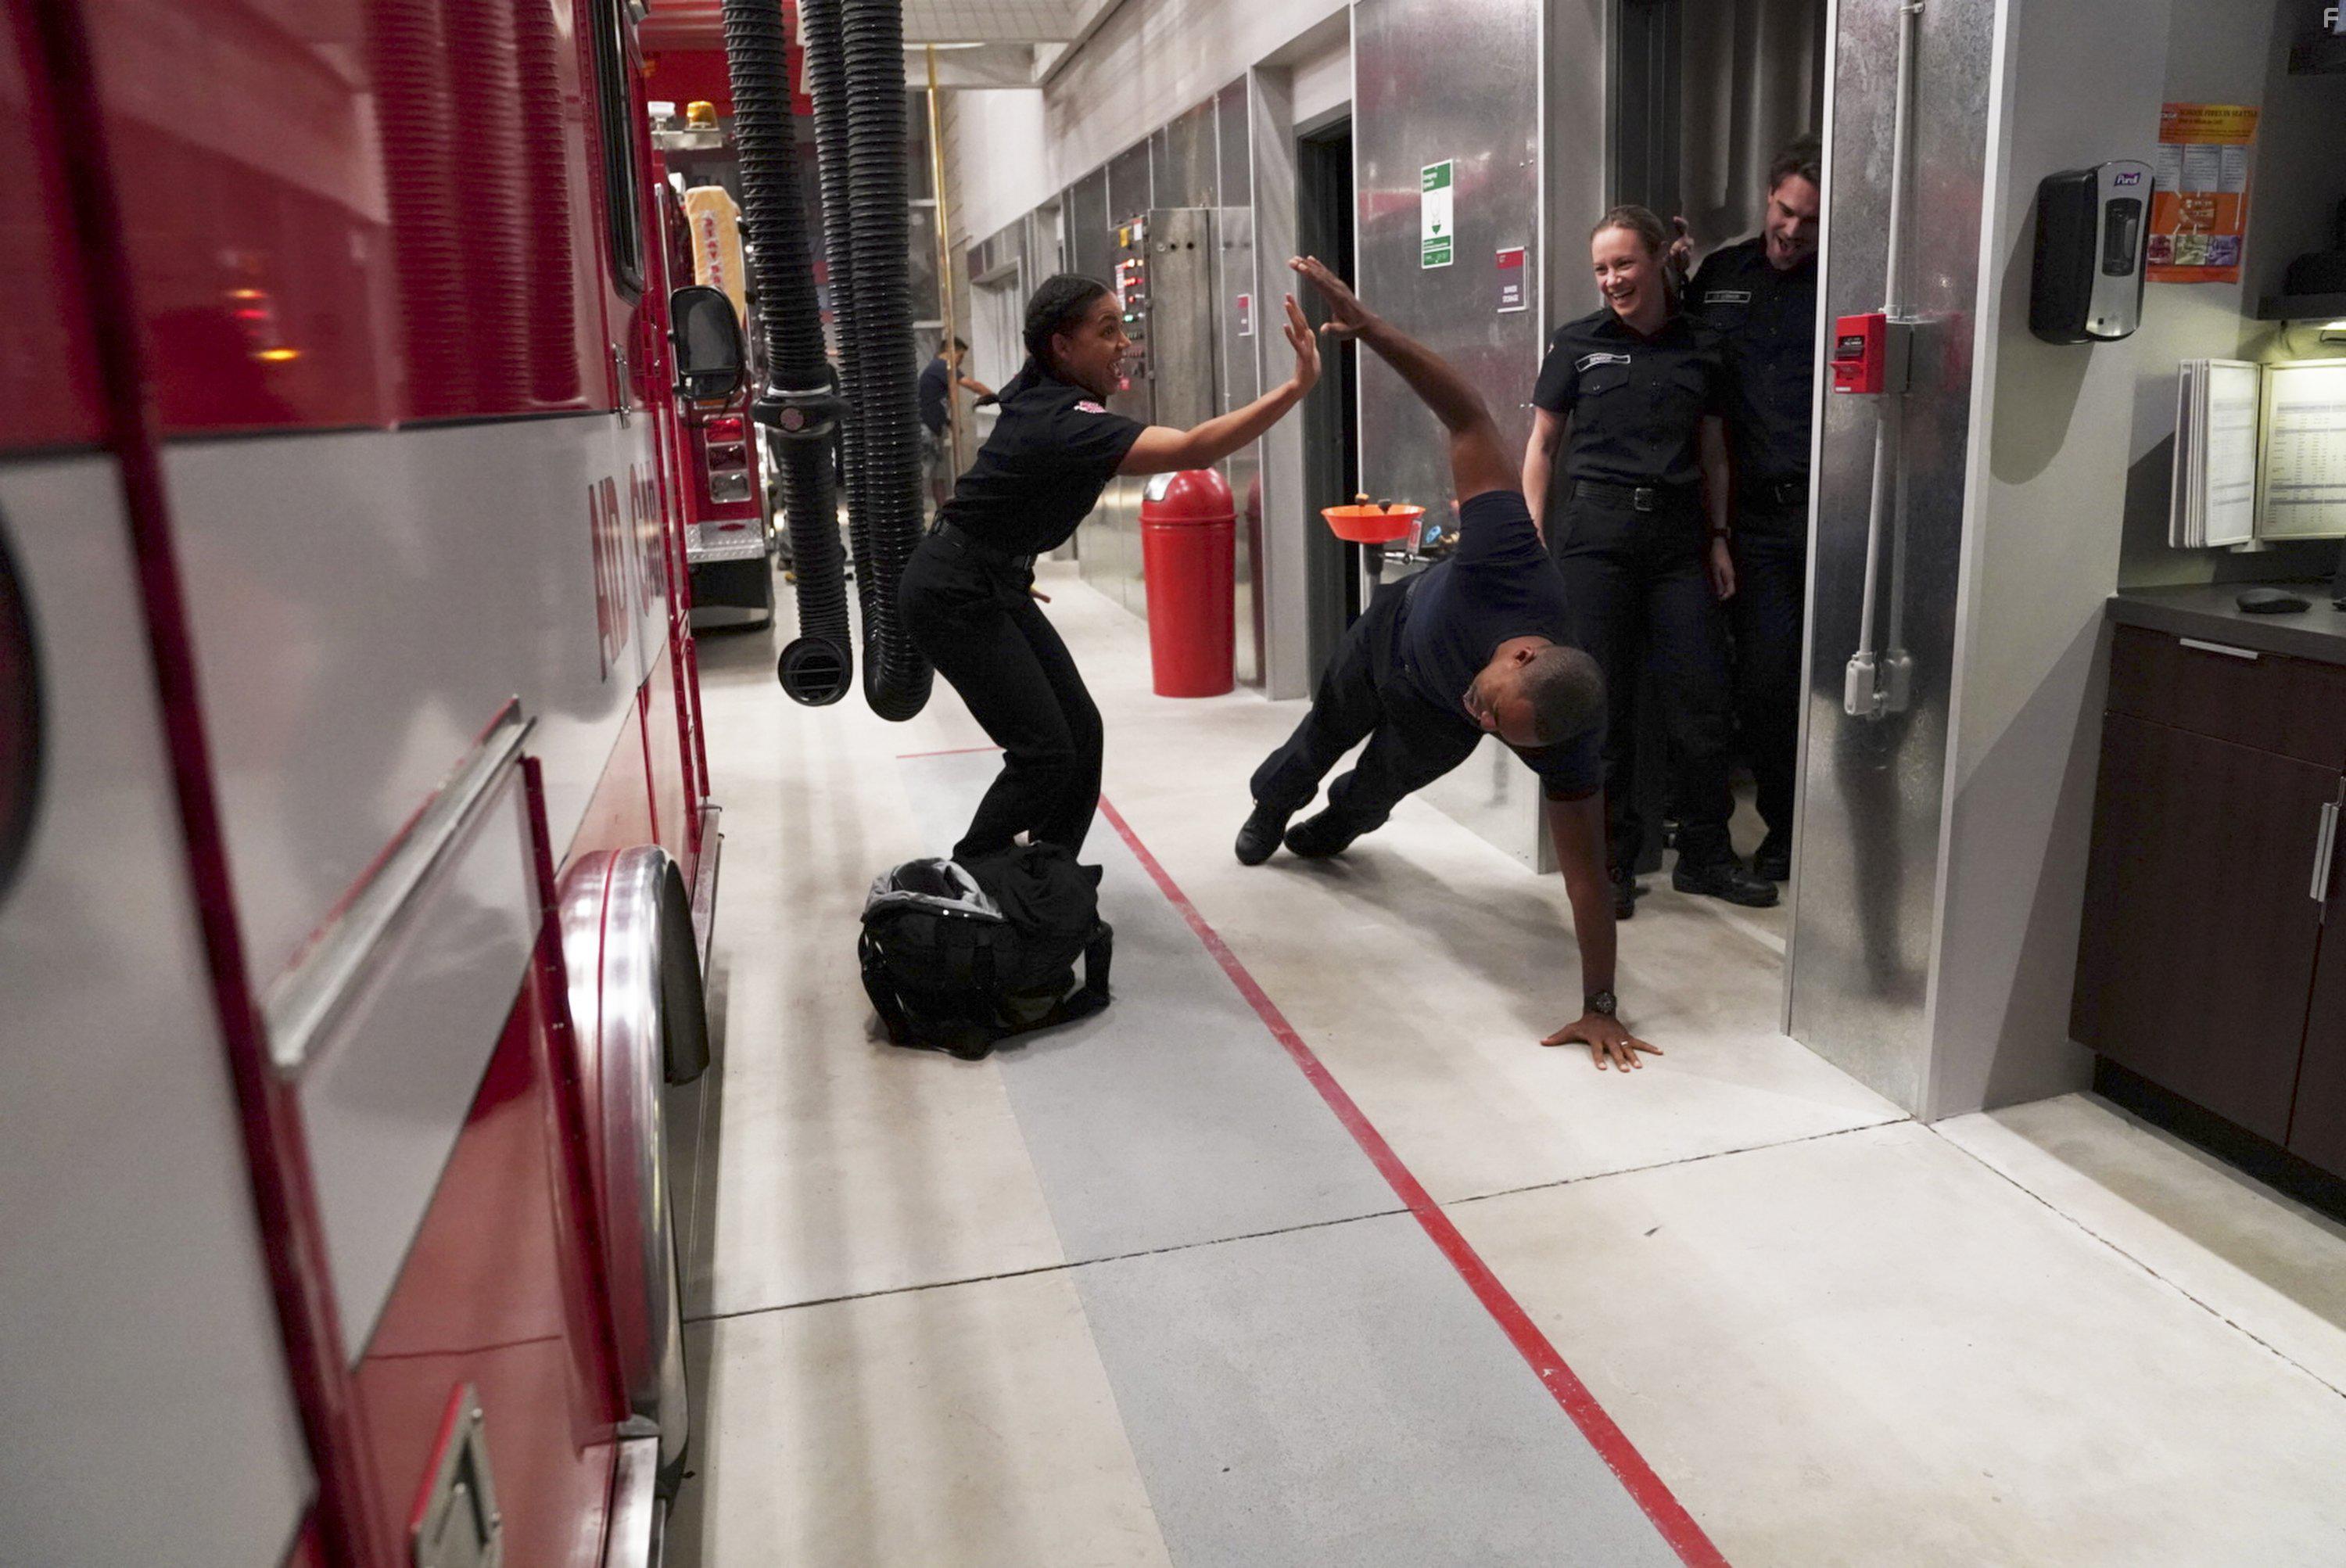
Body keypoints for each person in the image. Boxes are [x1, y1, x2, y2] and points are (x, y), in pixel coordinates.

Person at [1238, 257, 1656, 1072]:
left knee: (1378, 789)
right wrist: (1375, 331)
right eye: (1498, 706)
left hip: (1427, 710)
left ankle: (1331, 827)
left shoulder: (1565, 733)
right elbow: (1468, 418)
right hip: (1392, 638)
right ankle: (1272, 807)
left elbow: (1586, 880)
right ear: (1524, 653)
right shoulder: (1513, 560)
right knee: (1321, 735)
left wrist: (1600, 1005)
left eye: (1504, 733)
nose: (1489, 721)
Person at [900, 274, 1319, 864]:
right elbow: (1195, 449)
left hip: (990, 577)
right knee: (1044, 750)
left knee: (1081, 732)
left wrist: (1010, 561)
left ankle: (1050, 872)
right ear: (1062, 347)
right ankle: (977, 875)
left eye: (1123, 326)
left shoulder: (1044, 389)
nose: (1125, 342)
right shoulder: (1066, 419)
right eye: (1107, 330)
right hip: (953, 589)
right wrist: (1296, 387)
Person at [1522, 206, 1777, 919]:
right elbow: (1542, 447)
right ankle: (1611, 862)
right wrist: (1533, 537)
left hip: (1678, 540)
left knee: (1701, 700)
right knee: (1601, 703)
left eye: (1625, 264)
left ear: (1661, 258)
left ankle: (1705, 853)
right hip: (1595, 537)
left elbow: (1715, 450)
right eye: (1602, 268)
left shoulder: (1704, 345)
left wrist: (1720, 535)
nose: (1613, 280)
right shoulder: (1576, 343)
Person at [1669, 137, 1821, 884]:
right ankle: (1783, 827)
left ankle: (1821, 832)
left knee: (1833, 683)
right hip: (1752, 521)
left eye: (1810, 222)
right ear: (1769, 196)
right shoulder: (1722, 275)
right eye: (1785, 211)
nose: (1792, 232)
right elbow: (1677, 367)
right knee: (1763, 681)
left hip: (1835, 516)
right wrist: (1668, 274)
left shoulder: (1847, 282)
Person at [919, 338, 995, 509]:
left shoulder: (936, 369)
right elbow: (973, 385)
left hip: (932, 430)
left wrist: (949, 422)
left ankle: (942, 512)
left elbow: (931, 403)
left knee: (938, 476)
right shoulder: (940, 366)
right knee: (922, 475)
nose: (959, 362)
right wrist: (998, 398)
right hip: (926, 431)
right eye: (960, 357)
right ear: (950, 351)